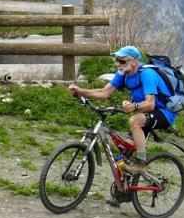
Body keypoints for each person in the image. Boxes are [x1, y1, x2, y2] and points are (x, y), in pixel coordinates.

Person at [68, 45, 173, 175]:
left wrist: (134, 106)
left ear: (134, 63)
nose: (119, 64)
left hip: (164, 113)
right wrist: (80, 91)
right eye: (117, 60)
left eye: (122, 61)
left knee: (134, 121)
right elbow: (104, 93)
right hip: (144, 113)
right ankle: (125, 191)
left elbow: (150, 104)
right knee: (125, 151)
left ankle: (141, 163)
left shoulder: (147, 74)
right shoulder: (123, 74)